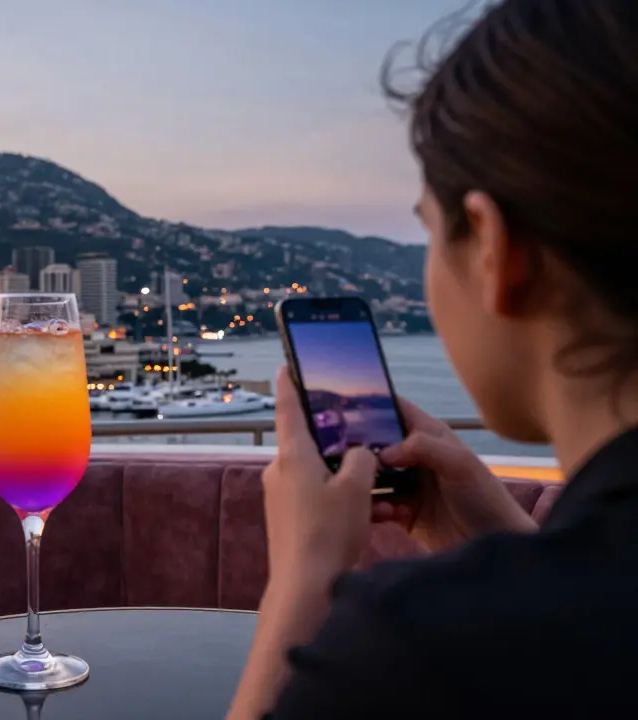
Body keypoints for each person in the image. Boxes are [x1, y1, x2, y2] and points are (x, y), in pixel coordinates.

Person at [227, 1, 638, 717]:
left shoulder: (414, 650)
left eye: (427, 234)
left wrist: (303, 575)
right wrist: (517, 550)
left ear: (490, 246)